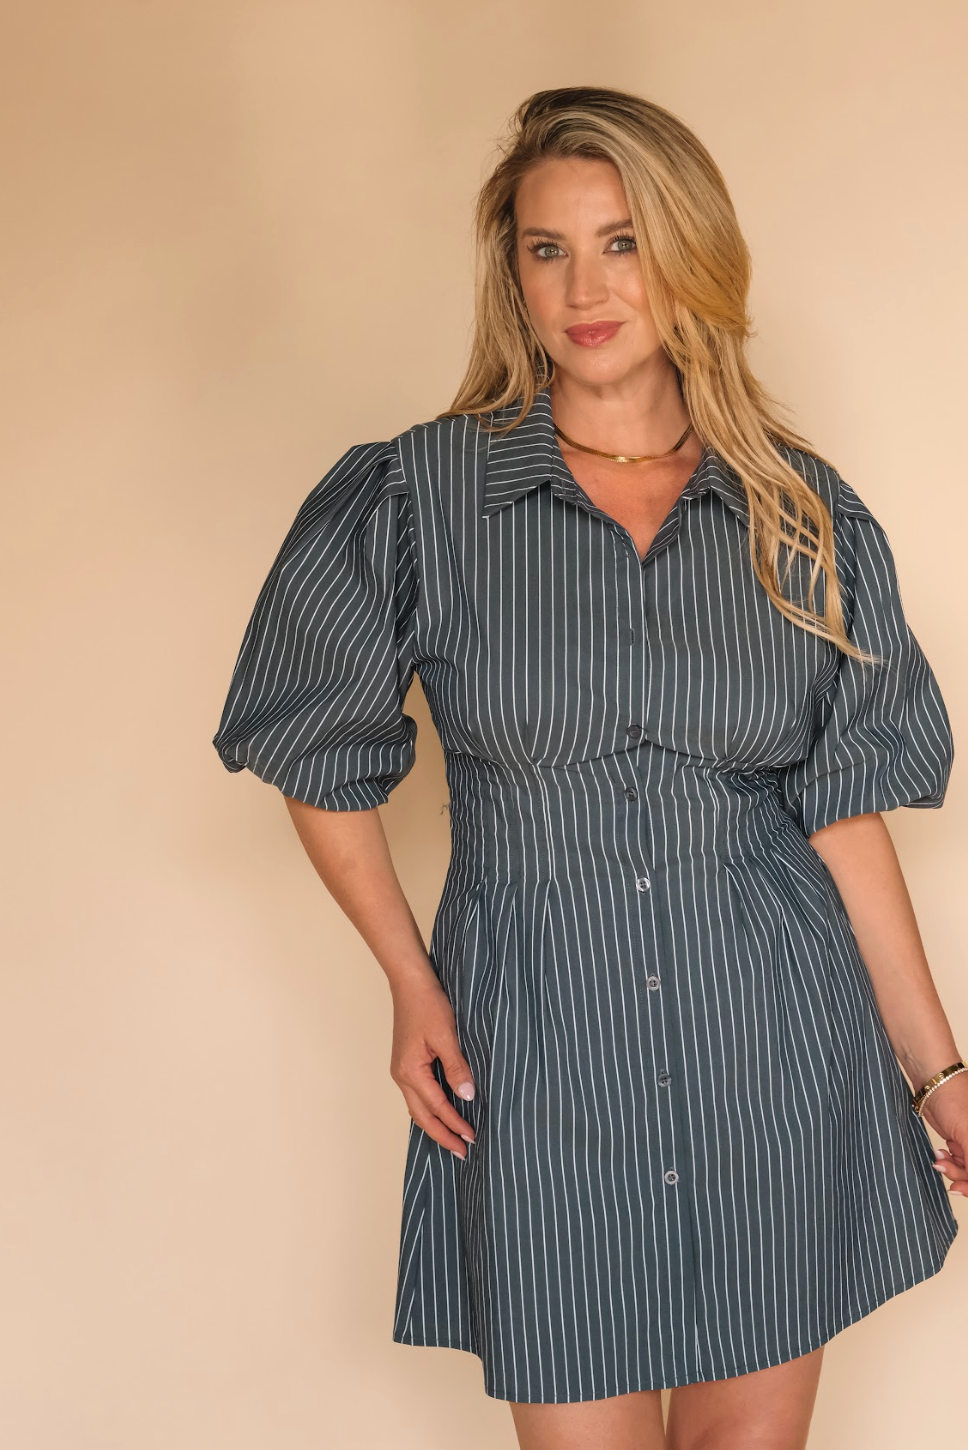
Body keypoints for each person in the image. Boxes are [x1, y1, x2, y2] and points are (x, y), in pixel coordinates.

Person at [211, 86, 966, 1450]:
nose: (585, 287)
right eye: (546, 249)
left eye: (623, 243)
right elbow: (314, 750)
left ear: (688, 256)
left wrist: (937, 1073)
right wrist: (409, 980)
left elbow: (845, 816)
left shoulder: (801, 513)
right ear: (511, 273)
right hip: (540, 1056)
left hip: (774, 1051)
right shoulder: (420, 497)